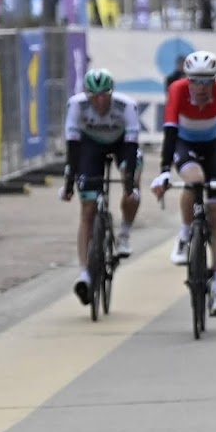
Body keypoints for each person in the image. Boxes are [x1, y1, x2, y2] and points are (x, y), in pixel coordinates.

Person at [151, 50, 216, 317]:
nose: (200, 87)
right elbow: (170, 131)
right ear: (187, 80)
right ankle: (186, 233)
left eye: (206, 81)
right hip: (184, 144)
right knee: (194, 179)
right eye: (195, 81)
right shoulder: (177, 90)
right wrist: (165, 170)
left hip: (215, 146)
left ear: (215, 80)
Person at [60, 68, 142, 304]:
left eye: (104, 95)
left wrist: (128, 182)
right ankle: (84, 273)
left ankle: (125, 233)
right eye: (93, 96)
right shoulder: (76, 105)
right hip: (90, 146)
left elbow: (131, 146)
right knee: (87, 208)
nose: (99, 100)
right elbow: (73, 148)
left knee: (132, 184)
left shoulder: (127, 106)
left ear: (111, 93)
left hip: (121, 143)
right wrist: (68, 182)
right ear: (86, 95)